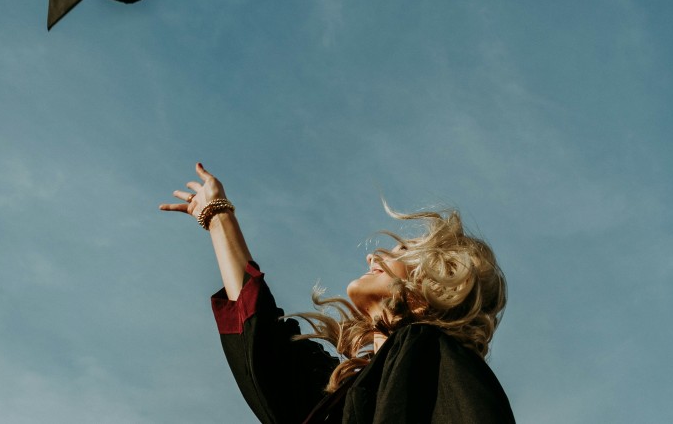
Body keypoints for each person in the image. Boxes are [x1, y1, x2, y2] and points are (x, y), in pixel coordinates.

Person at [160, 163, 515, 423]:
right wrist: (217, 216)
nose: (375, 255)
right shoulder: (340, 392)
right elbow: (265, 351)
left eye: (404, 252)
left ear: (434, 288)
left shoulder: (437, 359)